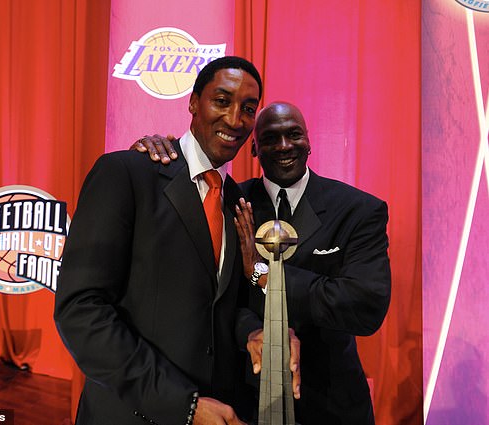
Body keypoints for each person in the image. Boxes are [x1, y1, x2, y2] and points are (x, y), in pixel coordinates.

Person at [134, 101, 392, 424]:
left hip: (331, 403)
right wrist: (253, 331)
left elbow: (365, 305)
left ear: (309, 142)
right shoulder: (228, 202)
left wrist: (264, 274)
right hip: (246, 401)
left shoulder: (358, 210)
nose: (284, 145)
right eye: (270, 138)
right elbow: (218, 300)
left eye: (294, 134)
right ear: (253, 149)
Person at [54, 56, 265, 425]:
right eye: (222, 100)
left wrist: (257, 332)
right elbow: (81, 311)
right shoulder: (125, 173)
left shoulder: (236, 201)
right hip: (132, 414)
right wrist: (183, 406)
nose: (235, 120)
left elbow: (221, 310)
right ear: (193, 103)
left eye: (248, 109)